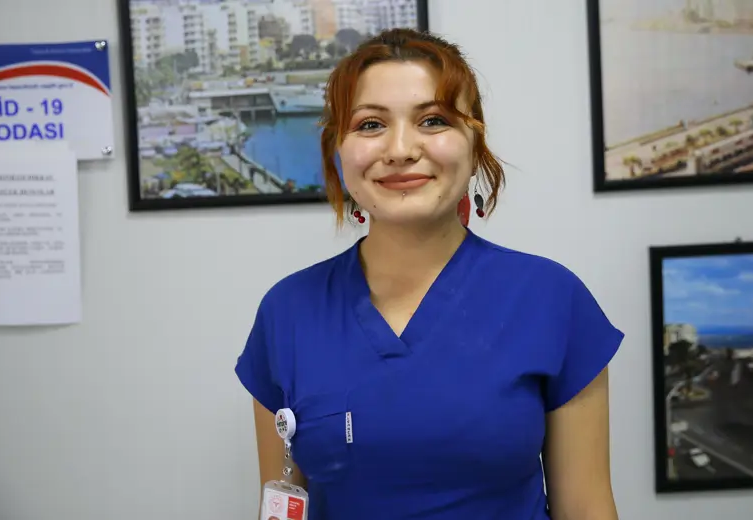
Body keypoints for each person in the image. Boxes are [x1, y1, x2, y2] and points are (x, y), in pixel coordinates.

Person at [235, 28, 624, 520]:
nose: (400, 149)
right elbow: (280, 503)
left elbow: (587, 507)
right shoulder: (287, 312)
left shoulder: (552, 299)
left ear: (475, 144)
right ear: (338, 152)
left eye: (433, 120)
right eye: (370, 124)